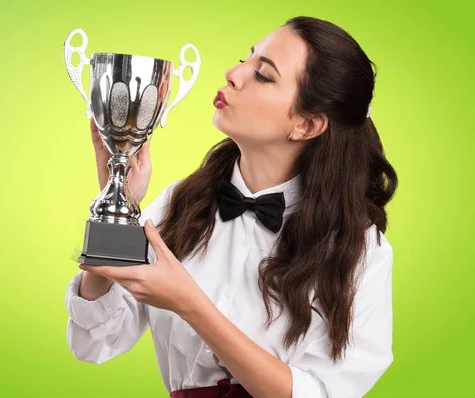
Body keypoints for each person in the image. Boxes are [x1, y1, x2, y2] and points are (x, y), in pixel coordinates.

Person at [64, 15, 398, 398]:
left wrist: (190, 304)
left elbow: (320, 393)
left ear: (306, 125)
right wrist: (118, 202)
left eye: (264, 75)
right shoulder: (180, 204)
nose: (233, 74)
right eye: (247, 58)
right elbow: (94, 343)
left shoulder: (359, 251)